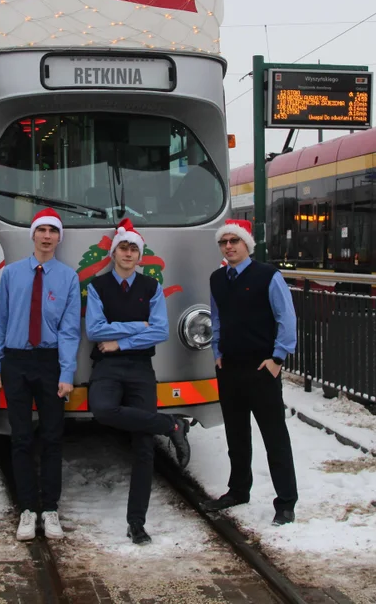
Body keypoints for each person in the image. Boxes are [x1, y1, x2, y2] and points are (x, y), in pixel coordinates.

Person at [85, 219, 191, 545]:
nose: (128, 253)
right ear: (114, 252)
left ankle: (137, 523)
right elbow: (94, 330)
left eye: (133, 249)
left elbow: (159, 331)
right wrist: (137, 327)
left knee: (143, 447)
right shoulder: (96, 286)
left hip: (140, 367)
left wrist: (121, 340)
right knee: (101, 409)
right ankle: (170, 425)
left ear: (139, 255)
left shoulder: (152, 288)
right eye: (123, 248)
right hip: (106, 366)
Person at [0, 208, 80, 542]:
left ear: (58, 237)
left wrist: (66, 372)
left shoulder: (68, 277)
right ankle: (28, 508)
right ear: (33, 235)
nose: (46, 236)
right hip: (15, 361)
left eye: (52, 231)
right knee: (21, 437)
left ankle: (50, 508)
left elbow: (70, 331)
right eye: (41, 230)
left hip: (50, 362)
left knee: (53, 437)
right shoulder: (11, 275)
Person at [204, 219, 299, 526]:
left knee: (274, 437)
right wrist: (217, 352)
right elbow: (215, 317)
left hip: (262, 368)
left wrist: (277, 358)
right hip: (229, 367)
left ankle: (286, 501)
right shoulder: (217, 278)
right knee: (236, 435)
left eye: (234, 241)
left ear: (247, 244)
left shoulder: (268, 275)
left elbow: (286, 317)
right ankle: (238, 490)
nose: (229, 246)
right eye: (224, 242)